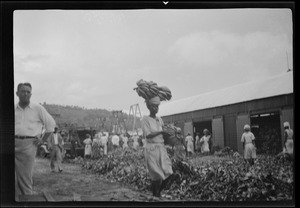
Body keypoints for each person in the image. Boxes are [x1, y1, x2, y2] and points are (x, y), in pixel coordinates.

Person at [15, 82, 56, 200]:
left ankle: (27, 201)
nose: (26, 94)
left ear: (31, 94)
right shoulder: (13, 109)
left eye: (28, 92)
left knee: (24, 178)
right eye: (23, 91)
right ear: (17, 93)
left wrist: (42, 140)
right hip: (12, 143)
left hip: (28, 145)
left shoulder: (37, 108)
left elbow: (51, 125)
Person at [141, 96, 174, 197]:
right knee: (156, 174)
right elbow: (148, 135)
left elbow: (163, 132)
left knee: (169, 172)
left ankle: (157, 192)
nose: (156, 108)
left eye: (157, 106)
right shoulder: (145, 119)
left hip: (161, 148)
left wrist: (169, 133)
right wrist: (161, 131)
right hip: (151, 149)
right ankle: (156, 194)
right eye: (153, 106)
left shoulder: (160, 119)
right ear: (149, 107)